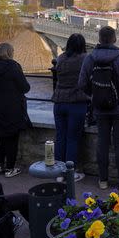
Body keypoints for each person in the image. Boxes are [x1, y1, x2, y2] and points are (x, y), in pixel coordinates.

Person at [78, 26, 119, 192]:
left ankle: (103, 180)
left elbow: (82, 83)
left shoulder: (90, 59)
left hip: (99, 109)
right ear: (115, 39)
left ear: (99, 39)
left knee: (102, 142)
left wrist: (94, 96)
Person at [0, 43, 31, 178]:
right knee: (12, 139)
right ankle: (10, 168)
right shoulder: (13, 67)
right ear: (10, 52)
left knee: (1, 137)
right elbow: (25, 87)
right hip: (12, 108)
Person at [51, 33, 89, 182]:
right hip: (76, 102)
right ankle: (70, 173)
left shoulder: (60, 58)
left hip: (59, 102)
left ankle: (59, 173)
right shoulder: (85, 59)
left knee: (60, 137)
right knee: (73, 138)